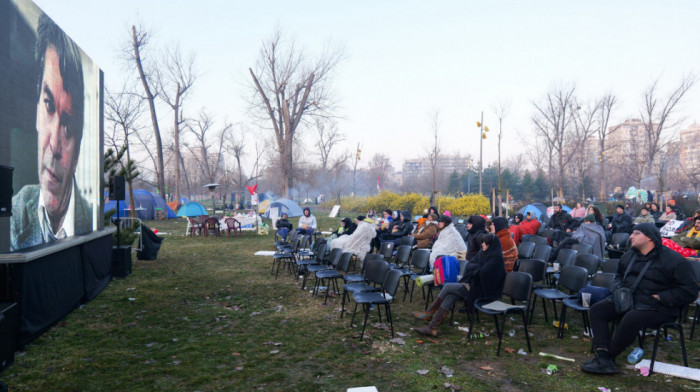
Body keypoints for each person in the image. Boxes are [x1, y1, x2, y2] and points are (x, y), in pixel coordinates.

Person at [11, 15, 91, 251]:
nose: (54, 145)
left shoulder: (89, 218)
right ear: (36, 111)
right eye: (48, 105)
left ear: (78, 151)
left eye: (67, 125)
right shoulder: (16, 212)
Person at [582, 223, 698, 374]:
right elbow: (619, 276)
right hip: (631, 299)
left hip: (660, 307)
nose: (631, 236)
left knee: (632, 318)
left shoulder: (674, 260)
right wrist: (619, 290)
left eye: (636, 233)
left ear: (649, 237)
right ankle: (603, 355)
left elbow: (690, 291)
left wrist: (662, 297)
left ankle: (609, 357)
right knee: (598, 310)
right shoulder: (630, 254)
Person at [413, 233, 506, 336]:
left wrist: (476, 270)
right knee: (450, 296)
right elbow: (471, 265)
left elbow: (484, 274)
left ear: (491, 245)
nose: (483, 245)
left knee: (448, 287)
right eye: (483, 242)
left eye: (486, 243)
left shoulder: (496, 259)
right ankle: (432, 327)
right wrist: (477, 269)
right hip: (472, 284)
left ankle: (430, 313)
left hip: (481, 291)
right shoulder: (483, 253)